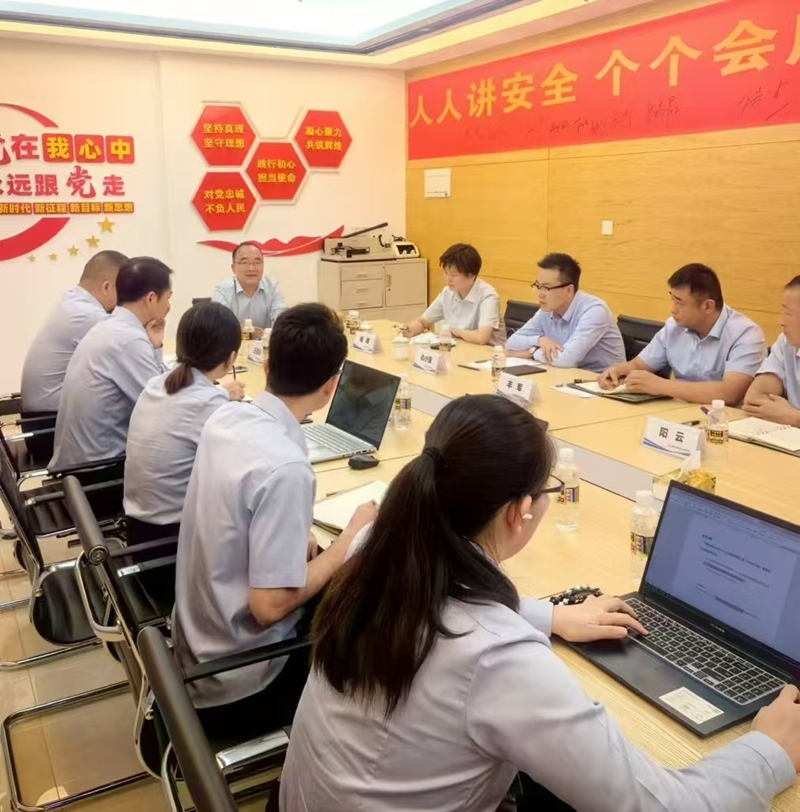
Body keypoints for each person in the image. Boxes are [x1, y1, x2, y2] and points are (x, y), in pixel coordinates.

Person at [280, 395, 800, 812]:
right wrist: (769, 752)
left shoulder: (380, 544)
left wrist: (551, 615)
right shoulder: (497, 659)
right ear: (520, 511)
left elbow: (449, 606)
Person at [172, 302, 377, 741]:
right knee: (372, 612)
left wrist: (295, 537)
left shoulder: (227, 417)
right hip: (240, 681)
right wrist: (350, 541)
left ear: (266, 365)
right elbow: (268, 608)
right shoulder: (285, 469)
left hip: (195, 647)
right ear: (331, 387)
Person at [123, 302, 246, 545]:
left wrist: (222, 394)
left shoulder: (157, 383)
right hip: (172, 540)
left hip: (138, 529)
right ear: (231, 358)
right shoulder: (210, 405)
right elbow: (244, 475)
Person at [49, 257, 172, 471]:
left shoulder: (111, 326)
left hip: (76, 469)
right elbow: (165, 409)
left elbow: (157, 386)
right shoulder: (127, 340)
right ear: (151, 299)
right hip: (98, 472)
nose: (169, 307)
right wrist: (218, 394)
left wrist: (155, 347)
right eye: (168, 298)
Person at [599, 264, 766, 405]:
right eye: (672, 299)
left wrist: (661, 386)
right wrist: (618, 371)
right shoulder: (674, 326)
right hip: (678, 412)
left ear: (707, 306)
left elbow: (729, 393)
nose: (673, 310)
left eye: (679, 302)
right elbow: (639, 365)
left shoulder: (745, 334)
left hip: (722, 422)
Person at [20, 250, 128, 414]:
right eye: (125, 291)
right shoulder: (87, 315)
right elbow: (130, 359)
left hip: (42, 411)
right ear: (106, 287)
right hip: (49, 418)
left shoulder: (72, 301)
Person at [505, 253, 625, 373]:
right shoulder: (547, 309)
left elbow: (566, 359)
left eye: (546, 288)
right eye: (538, 286)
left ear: (568, 290)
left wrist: (531, 352)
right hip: (566, 375)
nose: (540, 294)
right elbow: (511, 343)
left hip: (603, 380)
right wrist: (539, 340)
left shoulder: (594, 311)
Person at [400, 243, 505, 345]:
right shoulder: (448, 292)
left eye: (454, 275)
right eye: (446, 273)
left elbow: (482, 337)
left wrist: (454, 331)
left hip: (488, 353)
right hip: (459, 348)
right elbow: (423, 322)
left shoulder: (488, 297)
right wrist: (410, 330)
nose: (448, 279)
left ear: (471, 276)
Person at [744, 275, 800, 426]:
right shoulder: (785, 343)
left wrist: (795, 417)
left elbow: (791, 417)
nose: (781, 322)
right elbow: (754, 400)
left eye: (788, 313)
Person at [212, 241, 286, 337]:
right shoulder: (222, 291)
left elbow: (281, 321)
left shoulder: (272, 288)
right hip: (234, 344)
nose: (251, 268)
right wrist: (238, 331)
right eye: (245, 262)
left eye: (257, 262)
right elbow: (219, 328)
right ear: (233, 268)